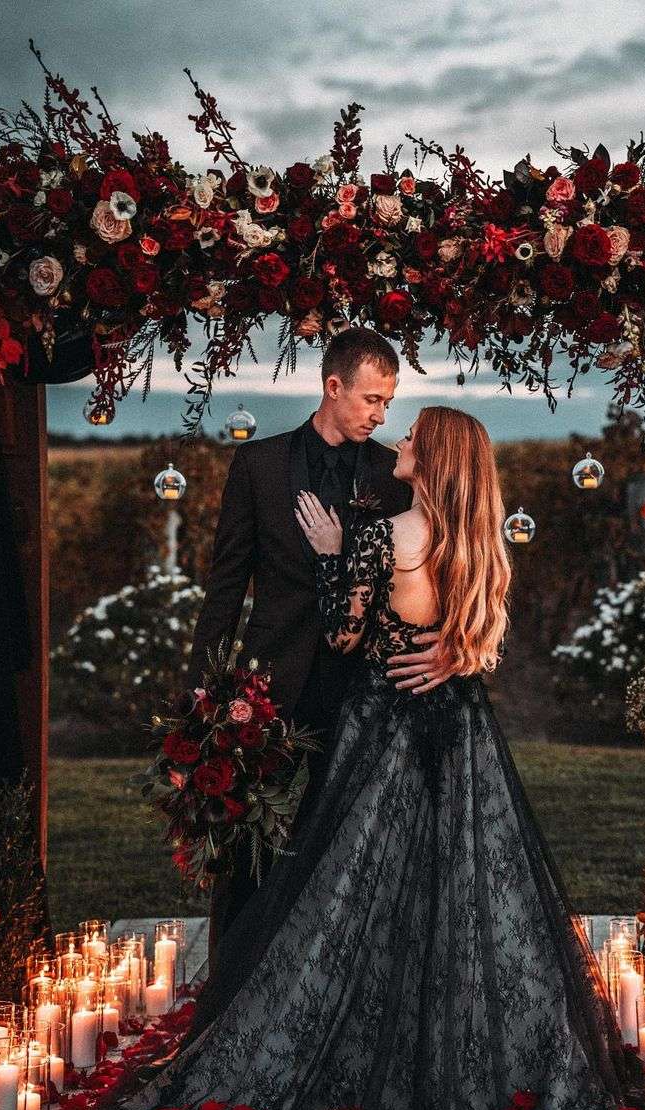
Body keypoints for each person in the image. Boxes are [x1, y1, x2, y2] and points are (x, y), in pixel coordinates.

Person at [0, 407, 645, 1110]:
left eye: (415, 434)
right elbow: (482, 639)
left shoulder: (390, 528)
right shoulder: (475, 539)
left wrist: (344, 550)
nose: (401, 441)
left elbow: (345, 638)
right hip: (460, 741)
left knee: (346, 901)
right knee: (457, 901)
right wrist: (454, 641)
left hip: (382, 738)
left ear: (437, 457)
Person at [185, 326, 448, 978]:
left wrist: (450, 640)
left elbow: (441, 569)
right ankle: (235, 982)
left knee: (346, 843)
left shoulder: (395, 476)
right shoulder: (258, 465)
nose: (381, 414)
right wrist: (202, 697)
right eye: (371, 399)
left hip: (367, 691)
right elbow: (225, 589)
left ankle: (330, 983)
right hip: (269, 685)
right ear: (333, 386)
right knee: (246, 844)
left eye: (389, 402)